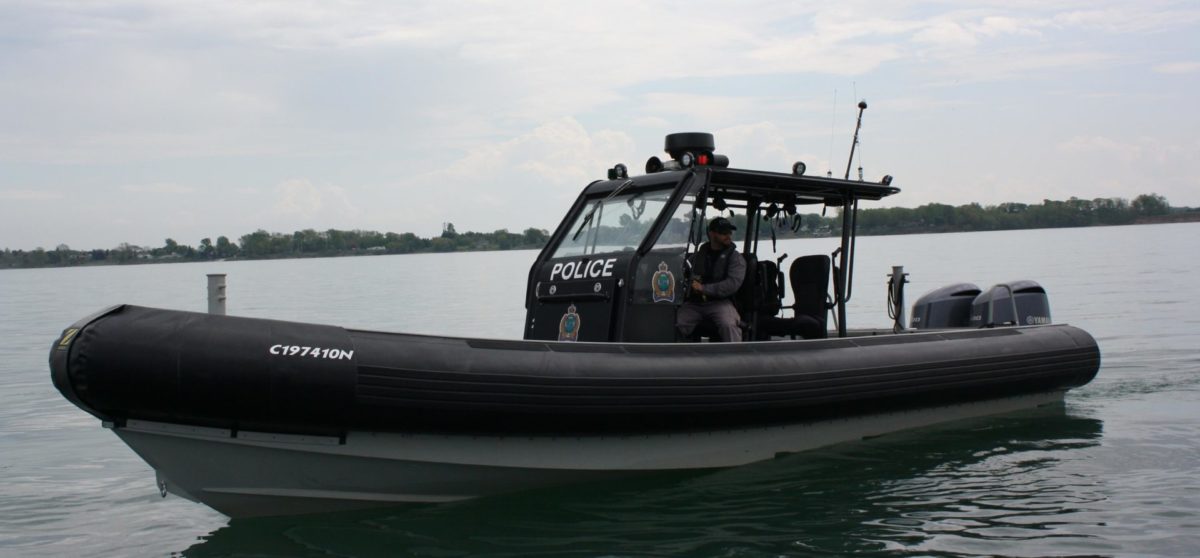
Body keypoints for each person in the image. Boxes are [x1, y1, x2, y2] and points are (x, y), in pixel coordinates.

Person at [676, 216, 746, 342]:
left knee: (728, 324)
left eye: (729, 232)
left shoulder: (736, 259)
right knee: (677, 322)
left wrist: (703, 288)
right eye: (723, 232)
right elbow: (682, 272)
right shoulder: (697, 256)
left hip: (720, 303)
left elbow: (732, 285)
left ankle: (736, 356)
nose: (728, 235)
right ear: (712, 234)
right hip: (694, 304)